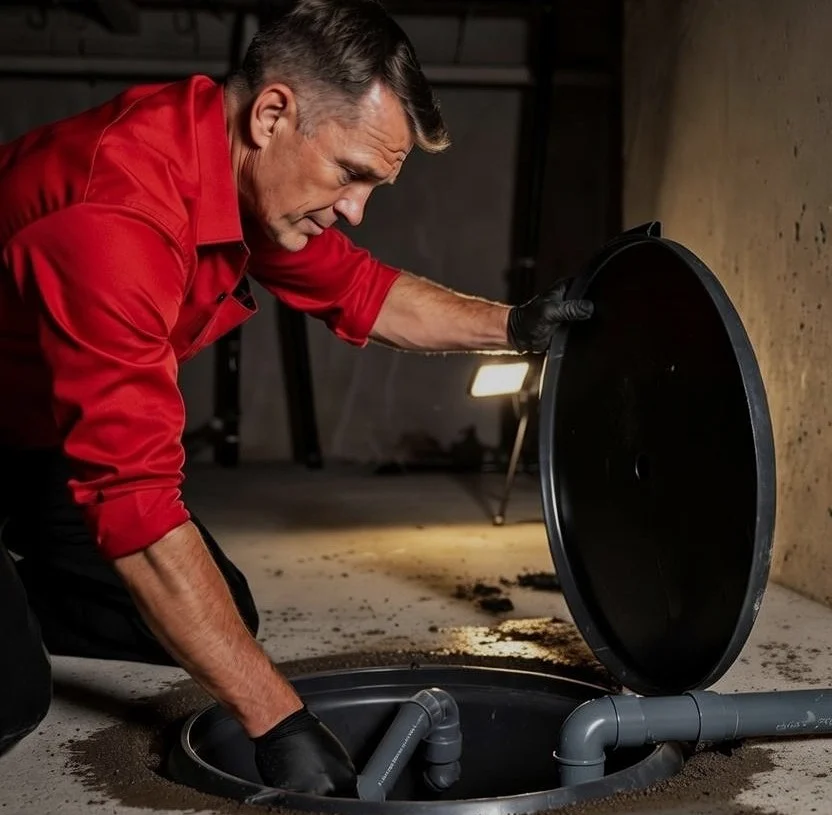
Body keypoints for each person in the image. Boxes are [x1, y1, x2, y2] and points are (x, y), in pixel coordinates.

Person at [0, 0, 592, 798]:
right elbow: (136, 510)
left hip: (32, 433)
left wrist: (515, 324)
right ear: (274, 112)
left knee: (224, 616)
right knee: (12, 693)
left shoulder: (235, 169)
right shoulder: (118, 215)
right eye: (352, 175)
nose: (355, 210)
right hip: (28, 430)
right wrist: (278, 718)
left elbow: (362, 289)